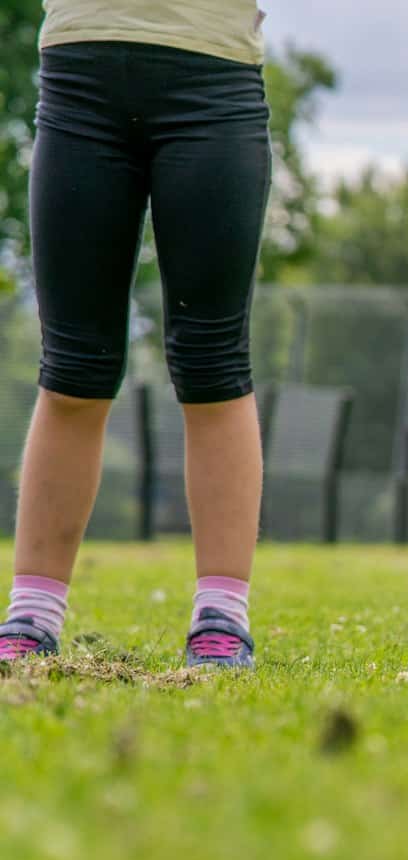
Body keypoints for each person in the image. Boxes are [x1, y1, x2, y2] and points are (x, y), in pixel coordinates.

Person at [0, 0, 272, 669]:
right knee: (73, 369)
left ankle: (221, 619)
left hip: (214, 79)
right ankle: (30, 616)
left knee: (212, 366)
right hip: (78, 80)